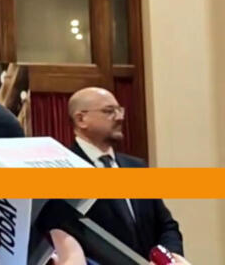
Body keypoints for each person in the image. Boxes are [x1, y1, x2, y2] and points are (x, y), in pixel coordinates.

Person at [67, 87, 183, 259]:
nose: (120, 117)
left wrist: (169, 258)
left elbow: (167, 226)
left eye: (120, 110)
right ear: (81, 119)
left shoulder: (136, 167)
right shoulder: (65, 168)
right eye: (109, 111)